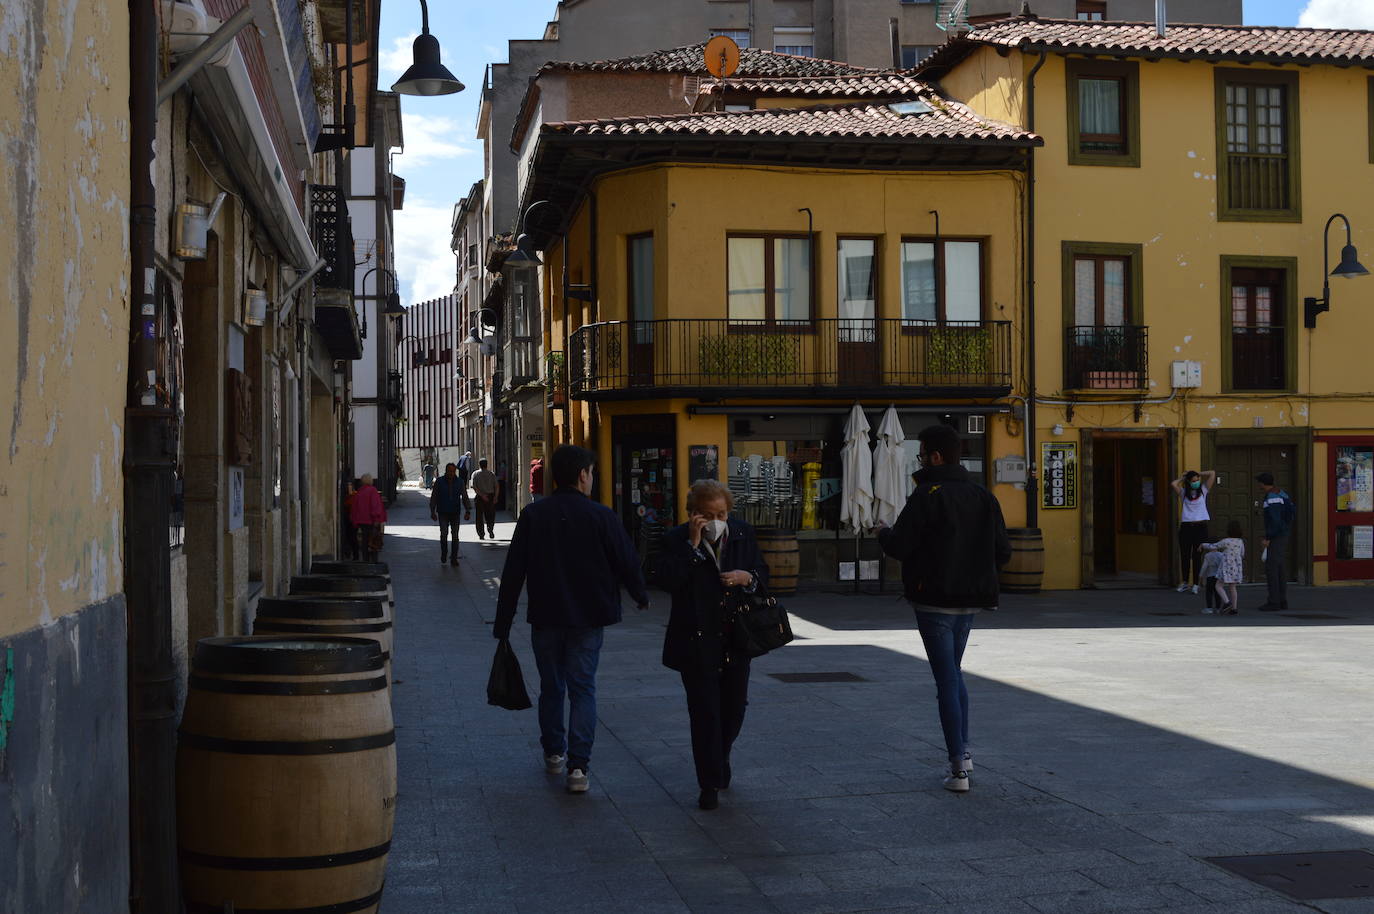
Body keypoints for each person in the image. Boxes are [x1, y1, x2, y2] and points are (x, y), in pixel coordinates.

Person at [493, 445, 650, 794]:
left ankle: (553, 752)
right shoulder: (602, 516)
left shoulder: (535, 515)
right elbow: (626, 560)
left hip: (546, 617)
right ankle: (578, 767)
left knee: (552, 687)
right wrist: (640, 595)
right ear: (583, 475)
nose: (592, 478)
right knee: (583, 689)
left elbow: (513, 571)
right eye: (591, 473)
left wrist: (503, 622)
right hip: (588, 618)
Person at [876, 424, 1011, 793]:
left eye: (921, 456)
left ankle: (959, 768)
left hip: (933, 598)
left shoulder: (927, 495)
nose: (920, 461)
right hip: (970, 600)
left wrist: (883, 532)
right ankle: (963, 755)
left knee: (946, 679)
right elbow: (1003, 552)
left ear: (935, 457)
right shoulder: (984, 495)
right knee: (954, 673)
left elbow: (900, 546)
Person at [658, 479, 769, 811]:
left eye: (721, 513)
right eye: (708, 514)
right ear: (693, 514)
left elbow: (762, 572)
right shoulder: (676, 539)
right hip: (696, 639)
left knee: (735, 709)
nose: (716, 520)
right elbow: (666, 580)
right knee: (705, 713)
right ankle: (709, 782)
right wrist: (692, 548)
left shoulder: (742, 532)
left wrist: (747, 577)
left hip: (736, 637)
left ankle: (719, 758)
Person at [1171, 469, 1216, 594]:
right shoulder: (1184, 493)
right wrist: (1183, 477)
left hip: (1200, 528)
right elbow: (1174, 484)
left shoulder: (1203, 490)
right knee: (1185, 555)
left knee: (1197, 556)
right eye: (1193, 480)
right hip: (1186, 527)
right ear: (1188, 482)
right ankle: (1185, 582)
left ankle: (1196, 583)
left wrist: (1197, 473)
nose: (1196, 482)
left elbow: (1212, 473)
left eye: (1197, 480)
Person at [1256, 472, 1296, 611]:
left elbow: (1274, 520)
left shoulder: (1271, 497)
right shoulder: (1282, 494)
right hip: (1283, 534)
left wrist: (1268, 537)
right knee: (1280, 569)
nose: (1259, 485)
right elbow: (1291, 513)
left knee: (1272, 569)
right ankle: (1282, 600)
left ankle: (1274, 602)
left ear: (1262, 483)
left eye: (1259, 483)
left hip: (1276, 536)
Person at [429, 463, 472, 567]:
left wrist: (468, 510)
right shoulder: (439, 482)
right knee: (444, 534)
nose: (451, 473)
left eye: (453, 471)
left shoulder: (460, 482)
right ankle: (444, 553)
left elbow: (465, 496)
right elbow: (434, 496)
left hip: (455, 512)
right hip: (443, 512)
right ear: (446, 471)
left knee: (455, 536)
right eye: (449, 471)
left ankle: (453, 558)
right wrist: (432, 511)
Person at [1201, 521, 1246, 615]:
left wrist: (1203, 544)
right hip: (1236, 567)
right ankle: (1234, 608)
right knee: (1233, 587)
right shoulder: (1240, 542)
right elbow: (1242, 554)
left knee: (1218, 585)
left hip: (1226, 567)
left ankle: (1227, 602)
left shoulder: (1226, 541)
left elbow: (1213, 546)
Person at [350, 473, 387, 562]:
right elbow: (375, 506)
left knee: (364, 542)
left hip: (362, 522)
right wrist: (377, 519)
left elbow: (354, 508)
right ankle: (373, 561)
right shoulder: (373, 491)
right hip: (372, 521)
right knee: (373, 541)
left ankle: (365, 560)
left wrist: (354, 521)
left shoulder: (359, 492)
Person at [470, 458, 499, 539]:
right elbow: (496, 486)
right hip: (490, 496)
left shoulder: (475, 474)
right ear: (487, 464)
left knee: (479, 516)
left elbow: (474, 487)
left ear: (479, 464)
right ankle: (490, 529)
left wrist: (482, 495)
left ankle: (481, 534)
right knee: (490, 515)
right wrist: (495, 497)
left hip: (480, 497)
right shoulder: (491, 474)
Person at [1197, 542, 1224, 614]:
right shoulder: (1221, 555)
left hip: (1210, 576)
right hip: (1218, 577)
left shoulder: (1207, 555)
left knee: (1209, 592)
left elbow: (1204, 567)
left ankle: (1209, 608)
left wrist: (1200, 576)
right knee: (1218, 593)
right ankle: (1218, 608)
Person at [343, 478, 361, 562]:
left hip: (353, 520)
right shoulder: (349, 496)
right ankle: (351, 554)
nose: (348, 488)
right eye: (347, 486)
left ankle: (355, 555)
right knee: (350, 537)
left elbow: (350, 505)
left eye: (350, 486)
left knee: (352, 538)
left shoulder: (354, 496)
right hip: (349, 519)